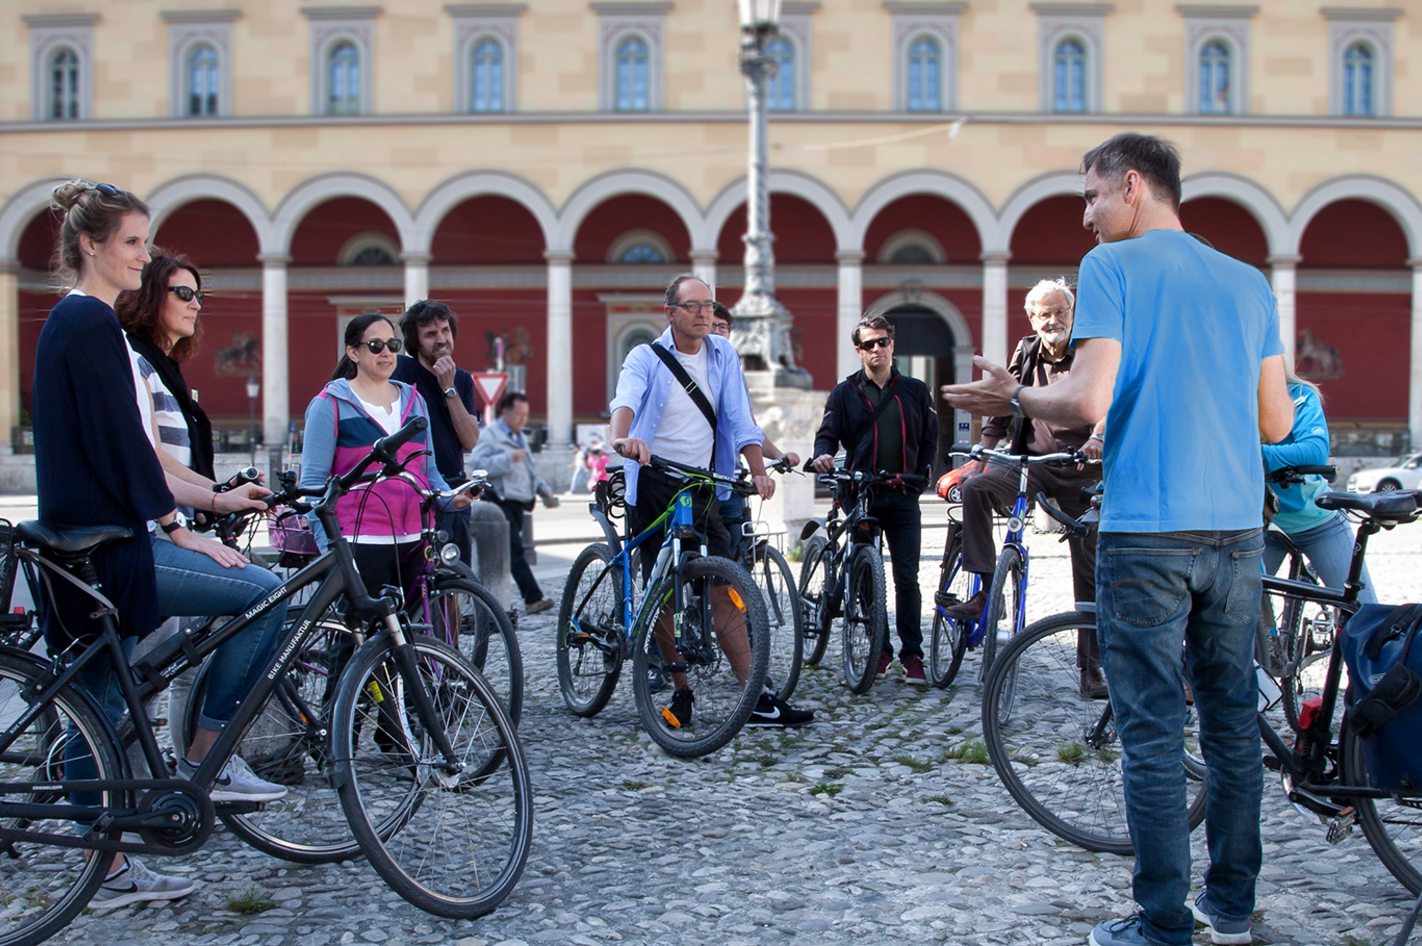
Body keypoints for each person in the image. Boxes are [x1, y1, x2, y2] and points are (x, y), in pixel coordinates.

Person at [942, 133, 1294, 946]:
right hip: (1238, 528)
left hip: (1149, 529)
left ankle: (1164, 921)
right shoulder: (1247, 282)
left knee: (1151, 730)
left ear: (1134, 186)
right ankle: (1232, 910)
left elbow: (1088, 398)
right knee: (1233, 723)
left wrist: (1016, 398)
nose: (1086, 215)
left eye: (1093, 196)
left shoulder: (1112, 271)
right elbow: (1276, 419)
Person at [33, 182, 292, 910]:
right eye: (132, 243)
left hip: (87, 544)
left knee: (103, 701)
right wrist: (185, 532)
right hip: (112, 545)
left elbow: (129, 451)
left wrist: (199, 509)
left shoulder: (78, 322)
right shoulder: (89, 324)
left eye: (145, 242)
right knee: (264, 592)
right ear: (90, 245)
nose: (143, 258)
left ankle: (107, 870)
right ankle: (208, 753)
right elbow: (125, 452)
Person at [610, 273, 813, 728]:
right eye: (693, 306)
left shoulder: (723, 354)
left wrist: (759, 470)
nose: (704, 313)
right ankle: (680, 688)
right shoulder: (646, 356)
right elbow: (625, 399)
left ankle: (756, 697)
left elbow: (741, 418)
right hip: (654, 480)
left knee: (723, 588)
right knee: (661, 591)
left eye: (709, 305)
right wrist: (622, 440)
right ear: (670, 313)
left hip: (703, 484)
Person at [115, 250, 288, 763]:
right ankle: (188, 769)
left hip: (174, 525)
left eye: (200, 295)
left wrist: (222, 494)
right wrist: (213, 497)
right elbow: (150, 461)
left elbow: (170, 463)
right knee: (143, 675)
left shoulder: (163, 367)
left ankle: (177, 775)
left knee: (176, 664)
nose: (195, 305)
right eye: (183, 293)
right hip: (151, 532)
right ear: (149, 296)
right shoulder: (136, 361)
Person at [944, 277, 1107, 698]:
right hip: (1033, 462)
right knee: (978, 488)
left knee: (1087, 565)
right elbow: (1003, 403)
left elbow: (1112, 397)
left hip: (1083, 467)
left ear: (1073, 314)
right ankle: (985, 593)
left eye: (1060, 312)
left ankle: (1091, 669)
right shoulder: (1027, 350)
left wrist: (1099, 436)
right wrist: (982, 453)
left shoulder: (1092, 349)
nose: (1052, 320)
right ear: (1032, 318)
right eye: (1044, 314)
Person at [299, 312, 473, 596]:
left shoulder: (414, 401)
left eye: (392, 345)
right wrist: (331, 549)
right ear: (353, 352)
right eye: (375, 345)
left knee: (413, 636)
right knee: (363, 637)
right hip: (359, 540)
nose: (386, 353)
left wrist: (452, 499)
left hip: (416, 540)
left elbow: (428, 474)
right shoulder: (328, 405)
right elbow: (312, 488)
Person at [810, 313, 938, 685]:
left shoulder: (915, 390)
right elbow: (827, 434)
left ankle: (912, 654)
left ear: (893, 345)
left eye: (883, 341)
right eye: (869, 344)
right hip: (860, 493)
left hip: (902, 493)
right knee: (867, 575)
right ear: (859, 350)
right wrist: (821, 454)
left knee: (907, 577)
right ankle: (879, 648)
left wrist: (922, 475)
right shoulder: (844, 391)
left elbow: (930, 438)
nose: (877, 348)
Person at [1264, 366, 1377, 604]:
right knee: (1238, 618)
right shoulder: (1228, 401)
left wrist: (1255, 456)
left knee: (1362, 612)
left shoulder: (1298, 394)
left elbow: (1315, 451)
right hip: (1258, 526)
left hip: (1316, 521)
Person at [391, 300, 479, 564]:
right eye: (430, 334)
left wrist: (448, 387)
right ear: (415, 343)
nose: (441, 339)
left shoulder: (461, 379)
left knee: (454, 579)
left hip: (453, 490)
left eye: (445, 331)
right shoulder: (399, 371)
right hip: (411, 492)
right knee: (416, 580)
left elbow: (471, 440)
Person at [710, 302, 800, 559]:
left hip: (731, 481)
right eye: (712, 326)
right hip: (698, 478)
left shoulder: (735, 375)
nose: (718, 332)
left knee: (735, 555)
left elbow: (749, 428)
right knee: (700, 554)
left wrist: (778, 454)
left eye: (724, 327)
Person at [470, 392, 559, 615]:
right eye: (518, 414)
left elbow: (530, 470)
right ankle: (532, 598)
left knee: (507, 554)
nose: (522, 419)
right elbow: (479, 466)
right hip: (499, 500)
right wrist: (508, 459)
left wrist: (544, 491)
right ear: (505, 413)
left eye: (525, 414)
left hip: (519, 504)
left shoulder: (519, 436)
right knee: (514, 551)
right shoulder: (490, 435)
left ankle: (487, 595)